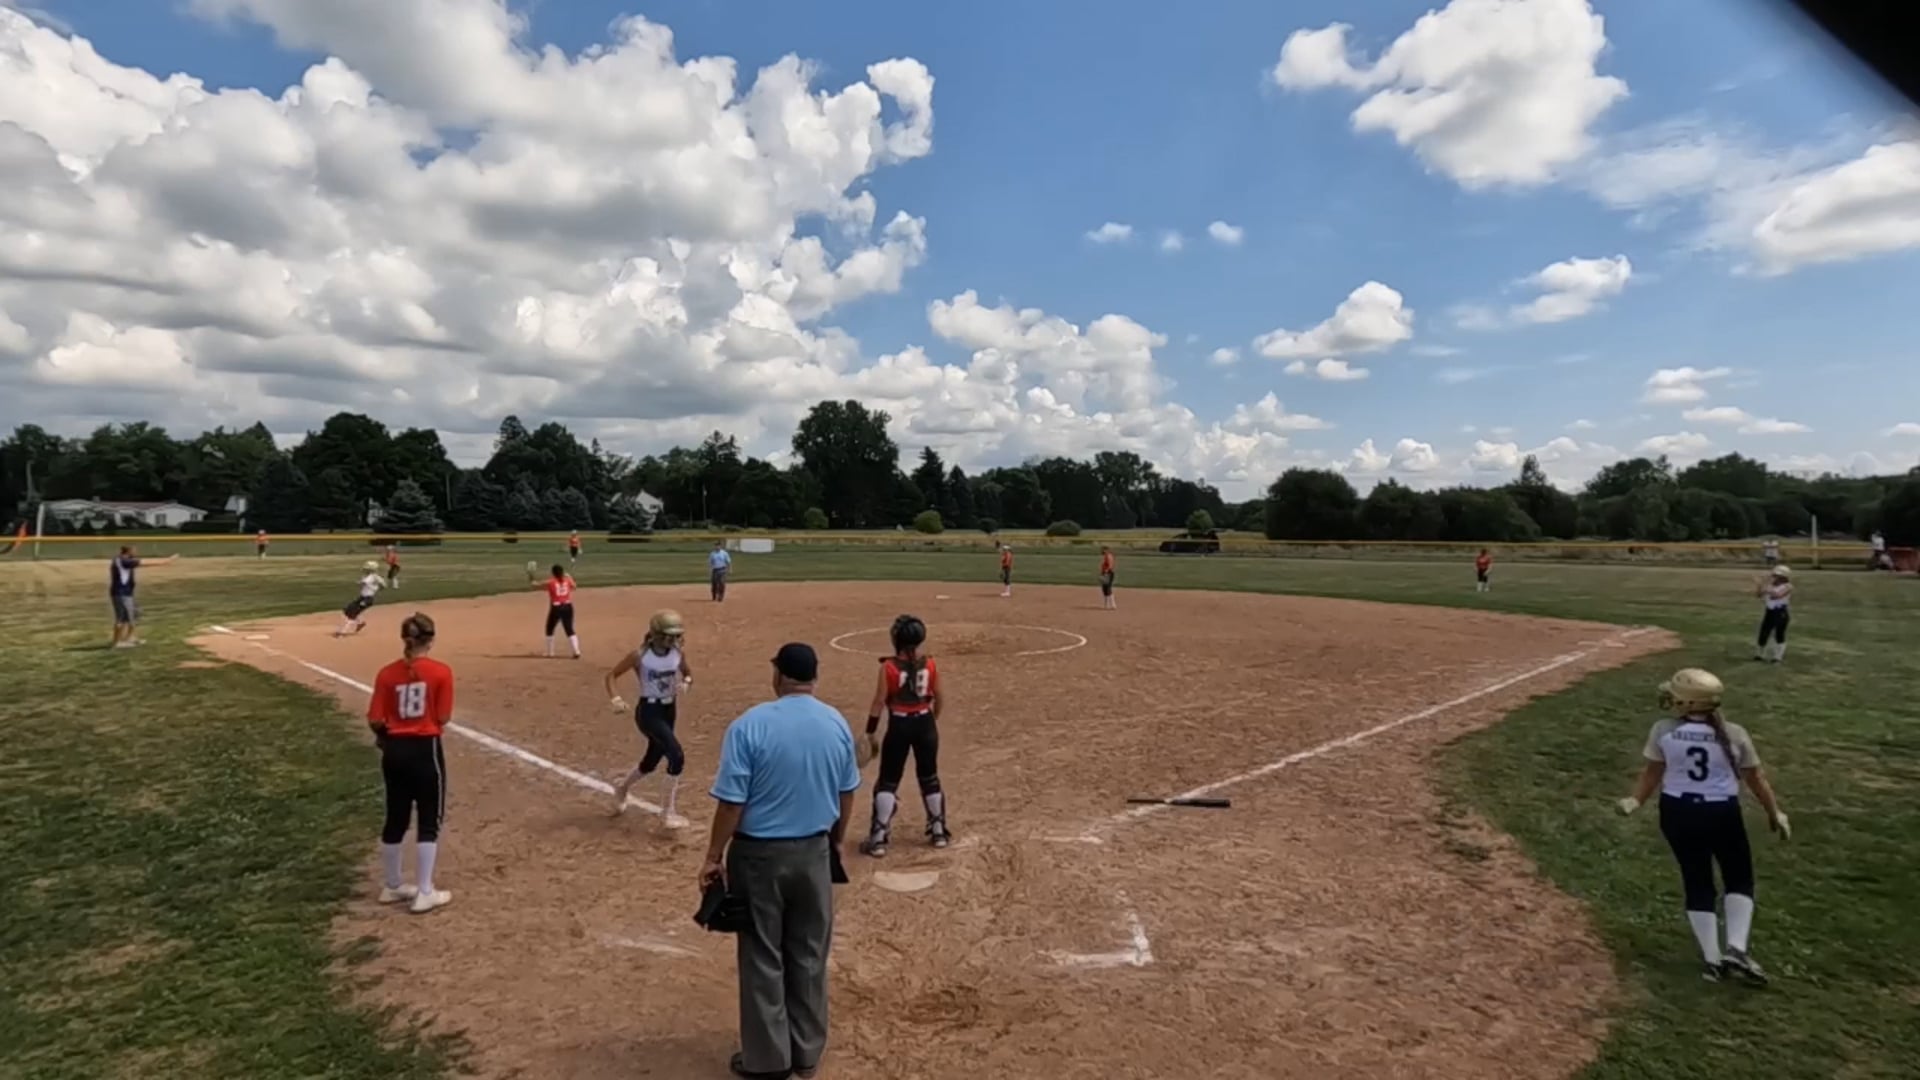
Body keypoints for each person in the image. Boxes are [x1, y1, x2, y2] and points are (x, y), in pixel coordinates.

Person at [703, 643, 861, 1080]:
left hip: (758, 857)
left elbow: (731, 804)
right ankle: (807, 1054)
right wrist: (837, 841)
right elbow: (847, 792)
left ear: (778, 675)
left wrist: (713, 856)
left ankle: (769, 1060)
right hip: (814, 853)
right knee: (809, 953)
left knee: (762, 954)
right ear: (814, 677)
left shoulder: (749, 726)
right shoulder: (836, 723)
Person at [1616, 667, 1788, 983]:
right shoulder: (1735, 733)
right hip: (1722, 812)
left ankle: (1712, 959)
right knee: (1738, 877)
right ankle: (1736, 948)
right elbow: (1756, 778)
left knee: (1697, 879)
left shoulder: (1663, 730)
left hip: (1677, 811)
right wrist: (1774, 812)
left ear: (1687, 703)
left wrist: (1636, 800)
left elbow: (1653, 772)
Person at [367, 612, 456, 915]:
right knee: (429, 819)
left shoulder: (386, 674)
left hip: (394, 751)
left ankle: (392, 885)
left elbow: (375, 719)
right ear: (430, 640)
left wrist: (386, 737)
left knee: (396, 817)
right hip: (424, 748)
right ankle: (425, 891)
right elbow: (443, 717)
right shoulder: (440, 672)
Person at [859, 615, 949, 856]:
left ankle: (878, 837)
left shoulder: (888, 667)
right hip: (925, 722)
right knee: (929, 776)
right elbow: (939, 697)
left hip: (899, 724)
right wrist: (932, 720)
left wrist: (870, 731)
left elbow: (879, 702)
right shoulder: (930, 664)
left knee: (888, 779)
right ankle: (938, 830)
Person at [606, 609, 693, 821]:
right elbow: (611, 676)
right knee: (676, 756)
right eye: (669, 635)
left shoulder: (677, 653)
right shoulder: (640, 656)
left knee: (652, 760)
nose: (673, 640)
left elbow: (688, 673)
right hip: (649, 712)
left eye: (676, 635)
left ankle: (622, 788)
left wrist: (686, 682)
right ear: (656, 634)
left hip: (669, 710)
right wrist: (616, 699)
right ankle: (667, 812)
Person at [108, 544, 178, 648]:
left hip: (127, 593)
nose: (136, 552)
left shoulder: (121, 559)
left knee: (134, 615)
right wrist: (166, 561)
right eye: (134, 550)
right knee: (121, 618)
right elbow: (146, 563)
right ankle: (116, 643)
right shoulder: (124, 561)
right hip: (121, 594)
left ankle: (130, 637)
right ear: (129, 551)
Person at [535, 563, 581, 658]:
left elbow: (536, 585)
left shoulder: (550, 582)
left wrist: (531, 579)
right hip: (568, 606)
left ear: (553, 573)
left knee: (549, 628)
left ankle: (550, 652)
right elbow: (574, 586)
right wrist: (570, 577)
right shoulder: (567, 580)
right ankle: (576, 651)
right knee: (569, 629)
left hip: (556, 608)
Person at [335, 560, 385, 638]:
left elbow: (367, 582)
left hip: (367, 599)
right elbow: (382, 585)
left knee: (353, 613)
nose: (365, 569)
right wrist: (377, 587)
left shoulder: (373, 577)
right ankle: (360, 623)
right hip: (361, 598)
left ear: (371, 569)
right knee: (347, 610)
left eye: (367, 568)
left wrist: (361, 583)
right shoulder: (371, 577)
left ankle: (343, 632)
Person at [1752, 565, 1792, 663]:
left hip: (1780, 612)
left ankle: (1777, 657)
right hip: (1769, 612)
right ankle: (1759, 654)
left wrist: (1767, 589)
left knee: (1779, 634)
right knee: (1764, 632)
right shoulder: (1770, 586)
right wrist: (1759, 585)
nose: (1773, 577)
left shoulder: (1788, 586)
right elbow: (1759, 595)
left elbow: (1778, 595)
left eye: (1776, 576)